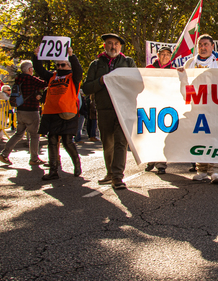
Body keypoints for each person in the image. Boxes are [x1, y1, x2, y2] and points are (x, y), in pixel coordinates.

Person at [82, 33, 136, 189]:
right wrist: (100, 81)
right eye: (110, 43)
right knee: (108, 143)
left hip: (123, 109)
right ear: (104, 46)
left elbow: (136, 83)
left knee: (121, 142)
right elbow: (86, 88)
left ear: (120, 47)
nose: (113, 46)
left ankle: (118, 176)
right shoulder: (95, 65)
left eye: (116, 44)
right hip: (104, 109)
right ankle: (110, 173)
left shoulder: (128, 62)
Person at [178, 34, 218, 184]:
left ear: (212, 47)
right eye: (200, 45)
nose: (203, 47)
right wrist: (179, 74)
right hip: (196, 107)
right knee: (198, 137)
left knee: (215, 137)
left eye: (206, 44)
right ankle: (201, 170)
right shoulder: (190, 63)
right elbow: (184, 83)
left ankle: (215, 170)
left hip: (216, 107)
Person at [33, 47, 83, 180]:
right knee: (52, 141)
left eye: (63, 64)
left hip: (67, 112)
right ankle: (53, 170)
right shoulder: (52, 77)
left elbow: (79, 71)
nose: (60, 67)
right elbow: (40, 70)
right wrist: (36, 56)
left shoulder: (73, 77)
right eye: (58, 65)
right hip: (51, 112)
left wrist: (72, 56)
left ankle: (77, 164)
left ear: (69, 65)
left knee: (67, 142)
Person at [0, 60, 47, 166]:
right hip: (31, 111)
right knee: (34, 135)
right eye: (32, 69)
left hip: (20, 110)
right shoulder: (31, 79)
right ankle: (34, 158)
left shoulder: (18, 79)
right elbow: (44, 84)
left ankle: (4, 154)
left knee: (18, 134)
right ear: (30, 69)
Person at [145, 46, 173, 174]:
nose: (165, 56)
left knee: (163, 135)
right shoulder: (149, 69)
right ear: (158, 55)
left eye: (168, 54)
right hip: (150, 106)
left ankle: (161, 164)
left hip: (166, 107)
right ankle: (151, 159)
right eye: (163, 54)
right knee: (150, 134)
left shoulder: (173, 71)